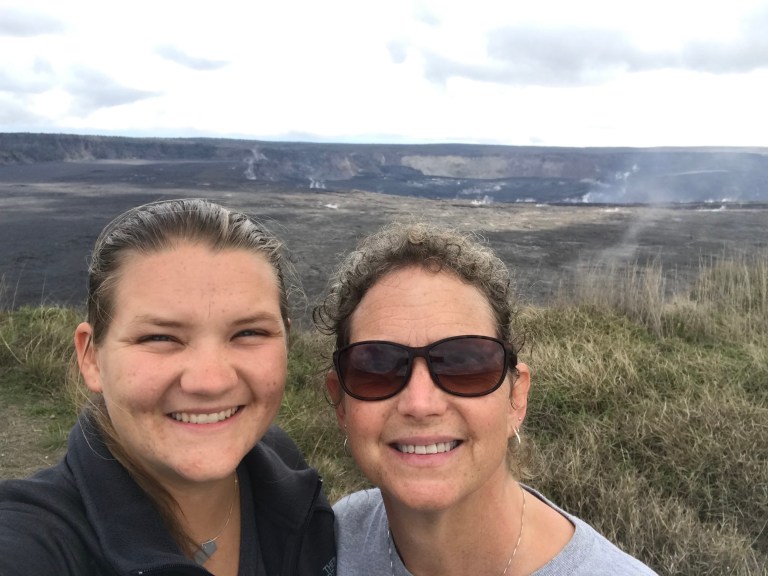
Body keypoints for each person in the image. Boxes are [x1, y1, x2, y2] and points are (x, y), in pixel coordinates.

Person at [0, 199, 336, 576]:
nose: (210, 381)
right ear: (91, 358)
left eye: (249, 333)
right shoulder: (35, 540)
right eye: (160, 337)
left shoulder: (280, 463)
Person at [313, 221, 656, 576]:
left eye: (465, 364)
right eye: (377, 368)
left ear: (516, 398)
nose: (420, 403)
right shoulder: (333, 539)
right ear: (341, 403)